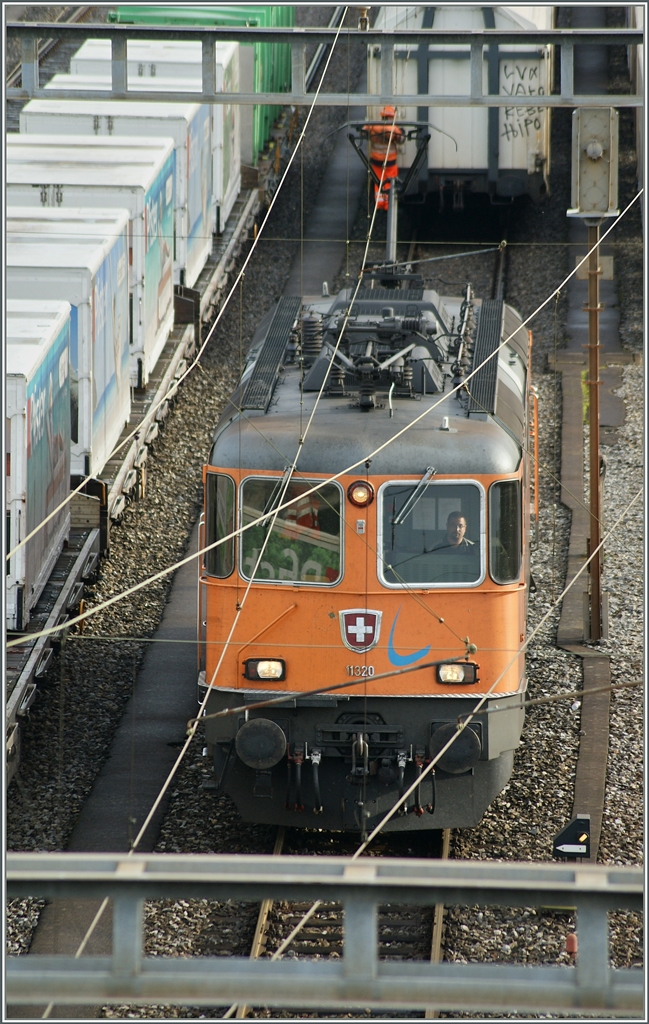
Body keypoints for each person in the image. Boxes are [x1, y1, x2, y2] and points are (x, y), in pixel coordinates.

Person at [361, 106, 405, 211]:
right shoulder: (393, 129)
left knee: (378, 182)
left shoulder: (373, 126)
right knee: (390, 183)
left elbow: (363, 132)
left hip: (376, 161)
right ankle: (388, 205)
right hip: (389, 162)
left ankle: (379, 204)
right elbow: (401, 139)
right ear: (391, 117)